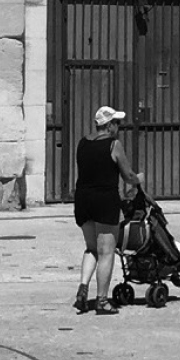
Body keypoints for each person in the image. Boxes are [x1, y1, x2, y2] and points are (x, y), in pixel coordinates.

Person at [71, 104, 144, 313]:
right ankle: (102, 300)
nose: (118, 127)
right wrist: (138, 179)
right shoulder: (114, 145)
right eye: (117, 123)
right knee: (106, 252)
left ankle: (83, 287)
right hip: (104, 200)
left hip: (83, 200)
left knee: (91, 247)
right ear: (109, 125)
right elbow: (127, 175)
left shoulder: (82, 143)